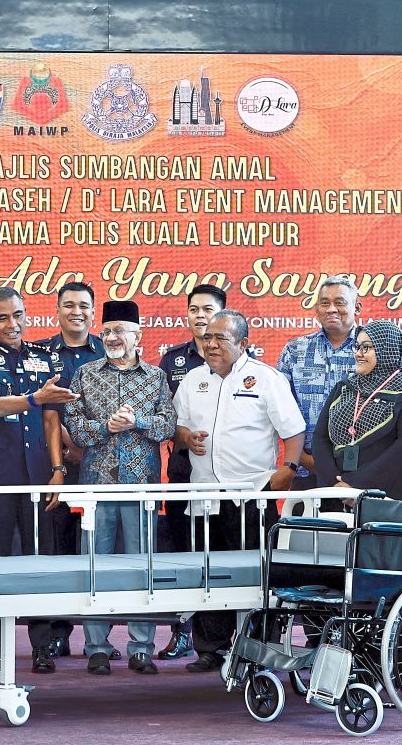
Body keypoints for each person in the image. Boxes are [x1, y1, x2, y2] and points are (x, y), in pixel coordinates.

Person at [173, 309, 305, 672]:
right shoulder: (193, 380)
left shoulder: (266, 379)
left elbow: (294, 431)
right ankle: (210, 648)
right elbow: (178, 427)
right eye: (207, 337)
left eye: (221, 338)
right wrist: (186, 437)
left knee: (255, 576)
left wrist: (288, 469)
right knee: (207, 573)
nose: (211, 344)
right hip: (204, 497)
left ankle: (258, 647)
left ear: (244, 343)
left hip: (251, 497)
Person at [0, 287, 78, 672]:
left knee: (39, 562)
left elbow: (51, 418)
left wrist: (58, 470)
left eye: (18, 315)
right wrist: (35, 398)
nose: (13, 324)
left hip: (37, 477)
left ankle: (42, 647)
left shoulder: (44, 357)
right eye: (2, 318)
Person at [65, 300, 175, 676]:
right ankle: (96, 646)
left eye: (120, 331)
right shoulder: (85, 374)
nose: (112, 337)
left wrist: (138, 421)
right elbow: (74, 428)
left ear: (137, 335)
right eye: (107, 331)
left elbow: (167, 426)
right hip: (96, 487)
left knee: (140, 567)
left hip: (141, 487)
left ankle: (141, 647)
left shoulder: (155, 377)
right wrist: (104, 428)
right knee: (95, 567)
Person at [156, 283, 225, 661]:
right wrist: (181, 435)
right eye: (194, 309)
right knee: (185, 553)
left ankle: (229, 640)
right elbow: (164, 417)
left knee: (225, 555)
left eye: (208, 309)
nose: (200, 316)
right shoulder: (173, 361)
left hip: (230, 479)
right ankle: (183, 632)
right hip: (184, 471)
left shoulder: (240, 362)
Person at [42, 281, 103, 657]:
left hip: (101, 464)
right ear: (57, 311)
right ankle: (59, 630)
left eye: (83, 305)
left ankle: (100, 637)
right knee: (60, 547)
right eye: (68, 305)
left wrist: (87, 442)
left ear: (93, 312)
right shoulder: (42, 353)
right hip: (58, 464)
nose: (76, 311)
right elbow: (40, 406)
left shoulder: (109, 349)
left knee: (100, 550)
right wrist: (66, 443)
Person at [313, 320, 402, 501]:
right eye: (357, 347)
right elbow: (320, 437)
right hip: (336, 493)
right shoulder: (346, 387)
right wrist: (335, 485)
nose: (358, 354)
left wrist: (356, 485)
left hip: (385, 500)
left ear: (387, 349)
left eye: (366, 348)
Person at [277, 275, 360, 492]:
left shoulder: (370, 349)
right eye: (325, 303)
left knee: (356, 527)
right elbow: (281, 411)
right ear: (317, 310)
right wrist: (301, 458)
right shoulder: (295, 350)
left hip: (361, 474)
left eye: (340, 302)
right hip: (306, 469)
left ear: (357, 307)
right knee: (305, 527)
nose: (331, 309)